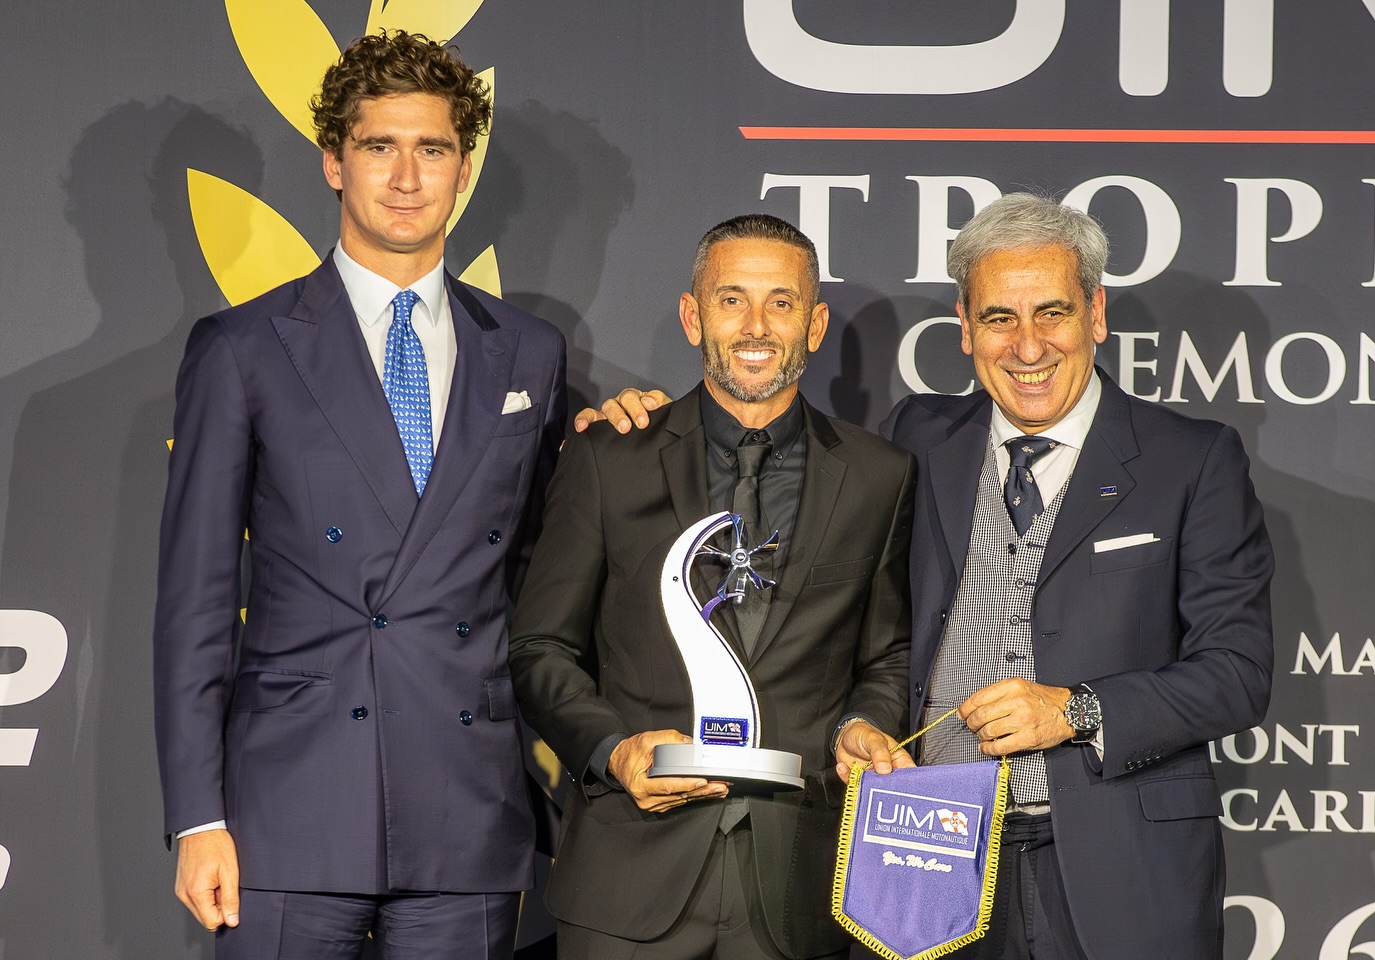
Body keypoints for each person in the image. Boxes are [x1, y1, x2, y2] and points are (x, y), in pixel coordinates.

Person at [579, 193, 1273, 960]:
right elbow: (870, 625)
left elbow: (1237, 673)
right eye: (1000, 319)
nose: (1029, 345)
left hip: (1116, 862)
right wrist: (639, 421)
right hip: (932, 856)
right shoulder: (920, 439)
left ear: (1095, 314)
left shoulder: (1192, 460)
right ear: (967, 328)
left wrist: (1078, 710)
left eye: (1053, 312)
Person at [153, 31, 565, 960]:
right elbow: (196, 604)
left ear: (465, 169)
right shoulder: (244, 348)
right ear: (334, 162)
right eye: (380, 146)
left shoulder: (530, 352)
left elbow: (536, 566)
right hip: (288, 807)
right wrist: (195, 817)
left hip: (465, 805)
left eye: (433, 149)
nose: (407, 176)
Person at [508, 214, 915, 959]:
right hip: (629, 874)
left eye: (782, 303)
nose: (756, 326)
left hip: (795, 885)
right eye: (732, 300)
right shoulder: (609, 457)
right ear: (694, 316)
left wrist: (863, 724)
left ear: (815, 324)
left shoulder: (880, 476)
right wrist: (612, 751)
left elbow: (886, 655)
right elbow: (540, 646)